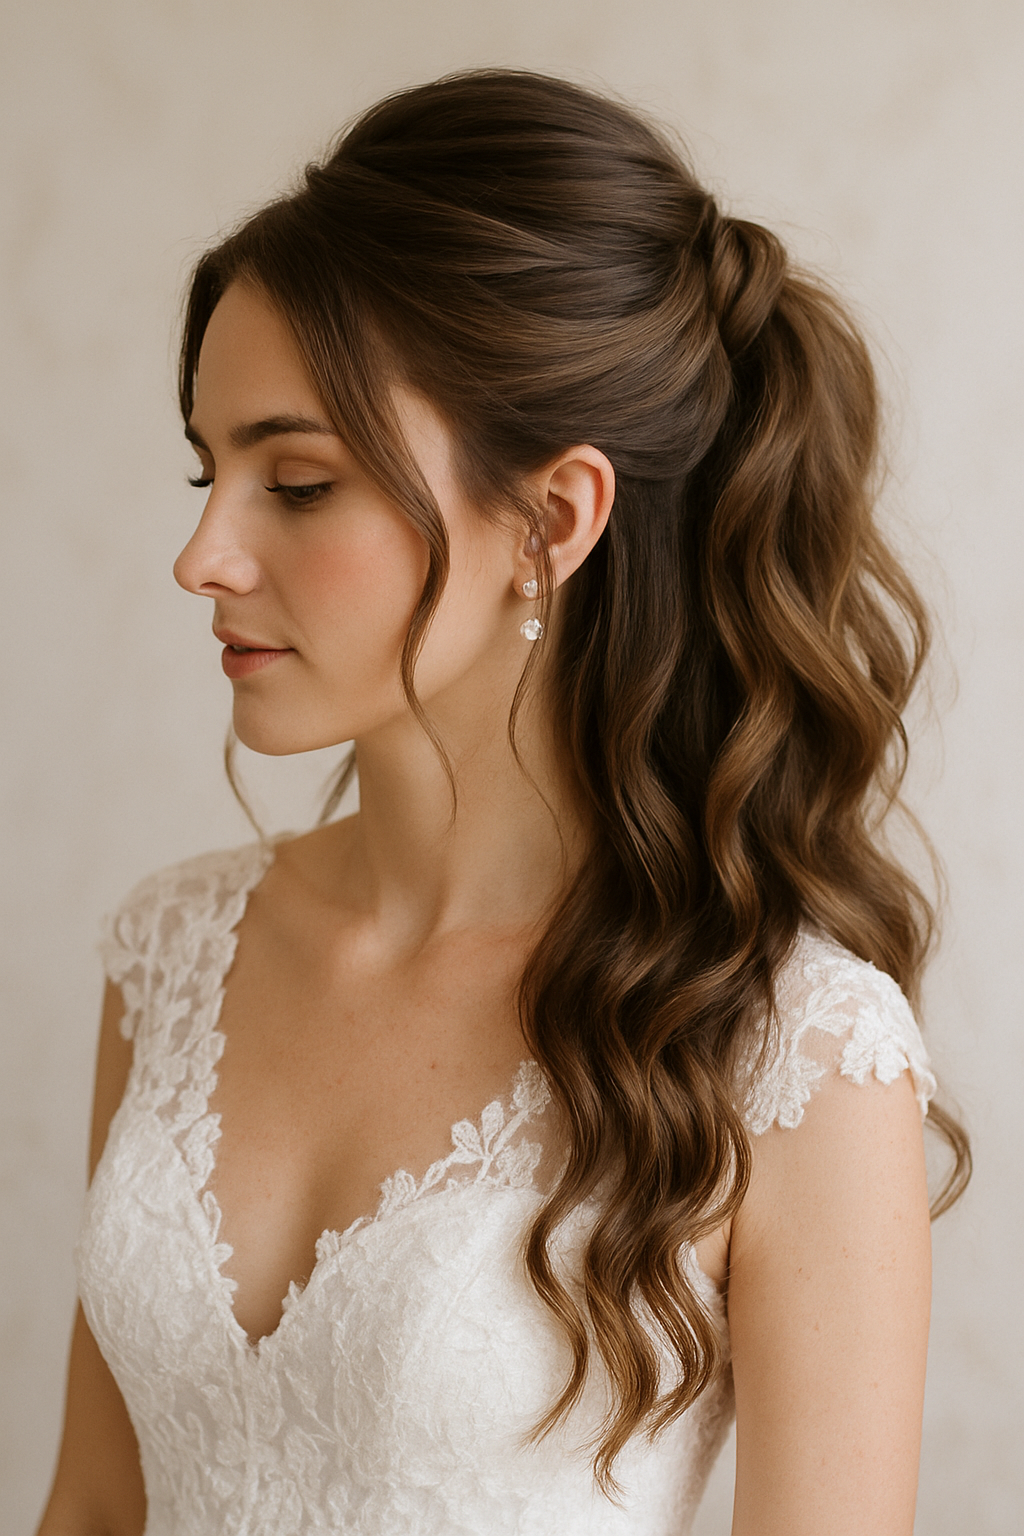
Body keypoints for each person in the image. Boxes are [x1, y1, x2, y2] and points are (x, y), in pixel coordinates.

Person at [38, 68, 969, 1536]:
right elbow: (92, 1506)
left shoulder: (792, 1049)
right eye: (206, 472)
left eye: (295, 483)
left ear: (552, 519)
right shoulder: (174, 956)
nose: (202, 556)